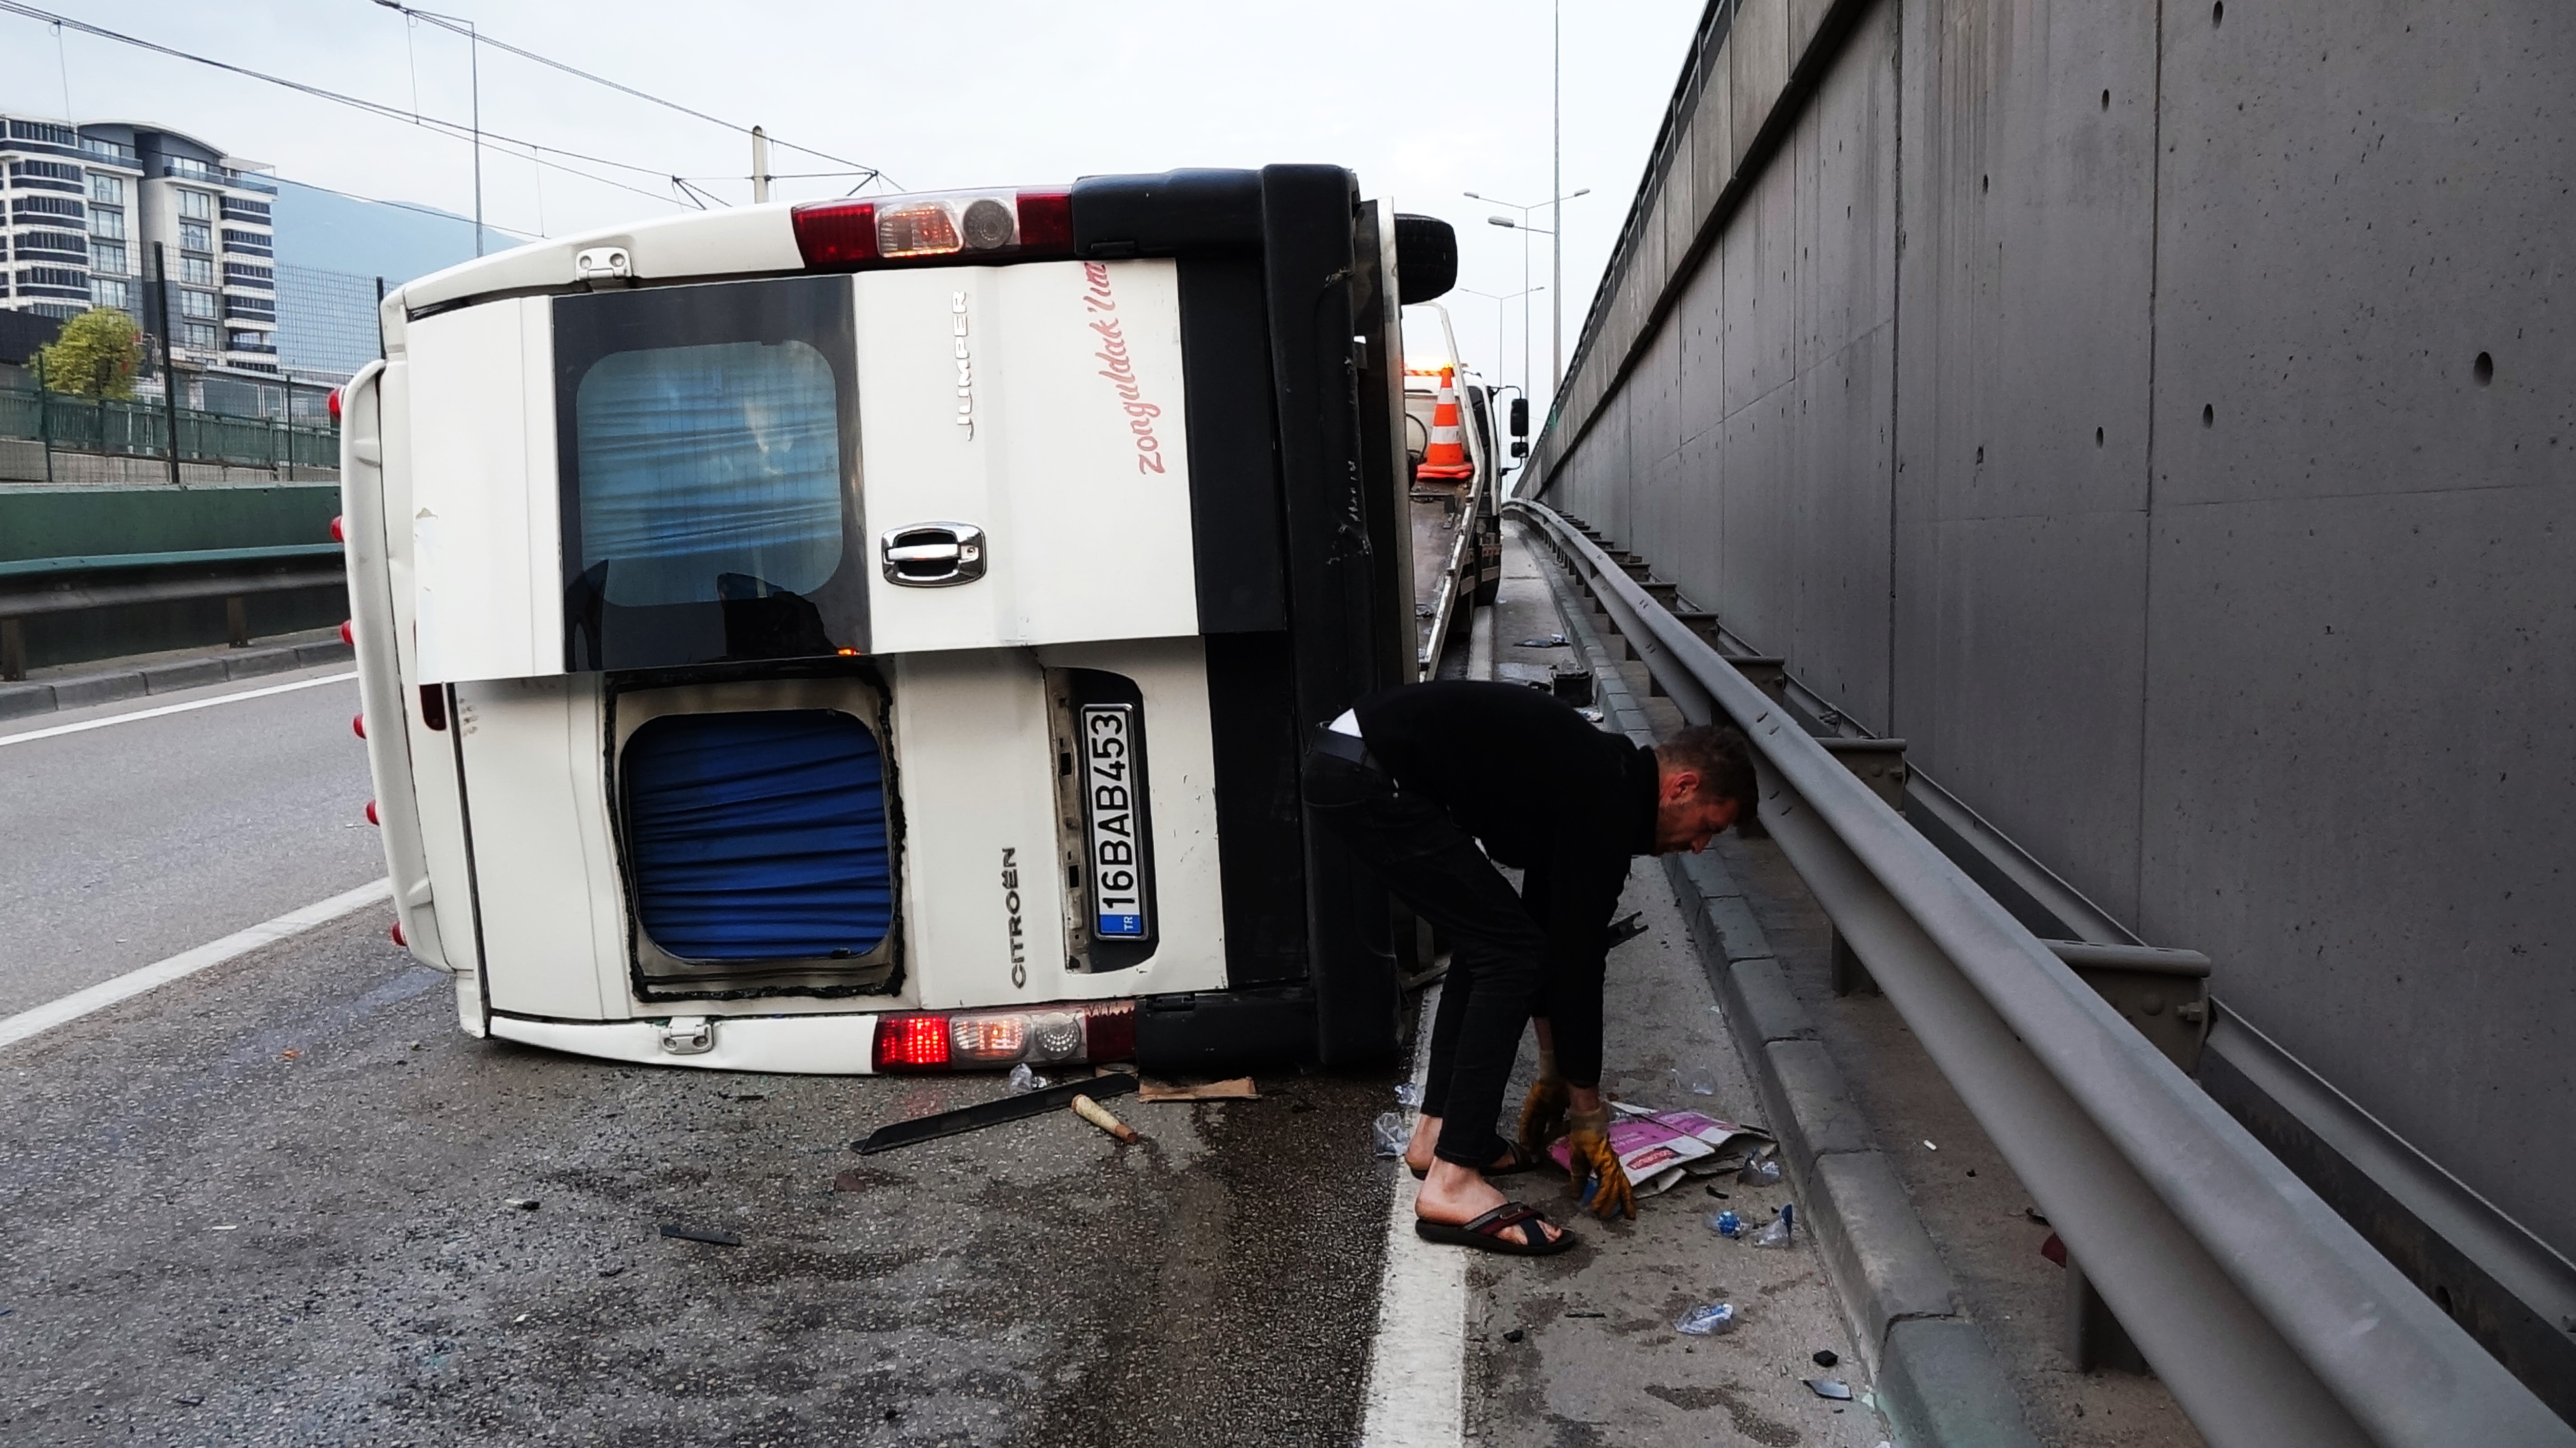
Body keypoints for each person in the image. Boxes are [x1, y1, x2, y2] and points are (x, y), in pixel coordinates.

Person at [1304, 680, 1757, 1254]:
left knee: (1498, 940)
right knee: (1504, 953)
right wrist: (1586, 1109)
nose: (1698, 847)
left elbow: (1555, 937)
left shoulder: (1603, 782)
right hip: (1367, 776)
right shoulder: (1604, 798)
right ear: (1682, 787)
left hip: (1355, 764)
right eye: (1708, 828)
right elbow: (1578, 965)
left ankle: (1436, 1137)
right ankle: (1452, 1179)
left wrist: (1552, 1069)